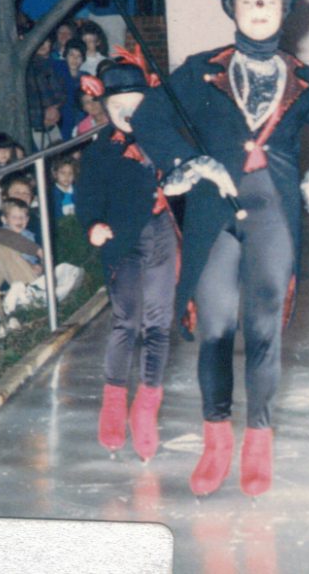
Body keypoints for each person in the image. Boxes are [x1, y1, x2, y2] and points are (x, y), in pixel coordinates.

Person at [131, 0, 309, 497]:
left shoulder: (305, 79)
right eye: (249, 0)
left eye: (270, 1)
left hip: (274, 216)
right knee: (215, 328)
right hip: (214, 215)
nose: (259, 8)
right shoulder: (200, 71)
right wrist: (191, 160)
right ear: (233, 10)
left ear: (285, 13)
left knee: (264, 332)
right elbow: (149, 118)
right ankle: (216, 439)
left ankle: (258, 439)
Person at [77, 56, 180, 461]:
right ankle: (114, 402)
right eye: (119, 108)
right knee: (126, 322)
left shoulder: (162, 139)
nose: (128, 115)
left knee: (159, 324)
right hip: (123, 243)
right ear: (106, 107)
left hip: (161, 237)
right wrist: (94, 225)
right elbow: (88, 199)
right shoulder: (102, 151)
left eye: (136, 107)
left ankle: (146, 409)